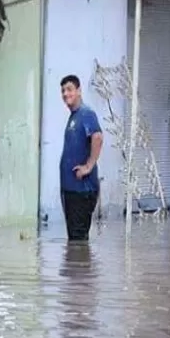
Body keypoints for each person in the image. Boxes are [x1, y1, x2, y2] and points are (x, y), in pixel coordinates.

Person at [59, 75, 104, 241]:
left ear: (79, 91)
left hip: (82, 189)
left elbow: (97, 137)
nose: (65, 94)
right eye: (63, 90)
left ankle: (80, 266)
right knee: (74, 239)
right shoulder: (74, 116)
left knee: (78, 240)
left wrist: (88, 166)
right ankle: (77, 266)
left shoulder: (86, 113)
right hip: (71, 189)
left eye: (69, 89)